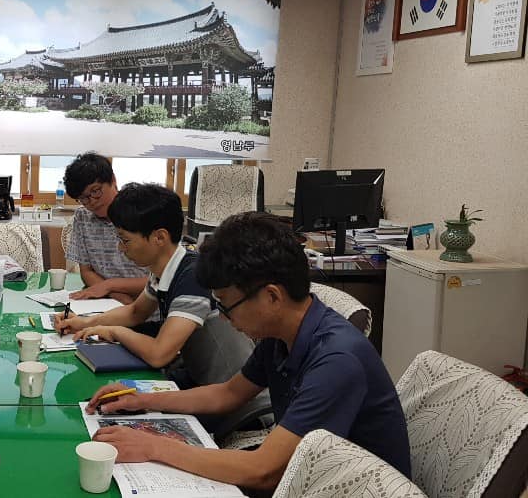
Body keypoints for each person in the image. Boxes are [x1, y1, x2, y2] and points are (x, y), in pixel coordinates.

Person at [84, 212, 411, 491]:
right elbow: (227, 394)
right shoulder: (280, 335)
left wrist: (153, 446)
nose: (225, 319)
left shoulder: (337, 360)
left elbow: (263, 470)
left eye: (227, 306)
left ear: (272, 297)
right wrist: (140, 399)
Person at [55, 183, 253, 387]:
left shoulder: (194, 277)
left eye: (125, 240)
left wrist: (115, 332)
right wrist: (85, 323)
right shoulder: (166, 269)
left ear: (159, 237)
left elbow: (159, 354)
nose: (121, 248)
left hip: (232, 397)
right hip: (200, 381)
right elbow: (135, 312)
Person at [63, 153, 148, 305]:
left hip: (148, 303)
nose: (92, 202)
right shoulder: (83, 217)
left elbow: (163, 278)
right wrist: (117, 296)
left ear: (113, 180)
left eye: (95, 191)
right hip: (107, 301)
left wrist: (110, 285)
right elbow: (87, 271)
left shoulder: (143, 211)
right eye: (83, 198)